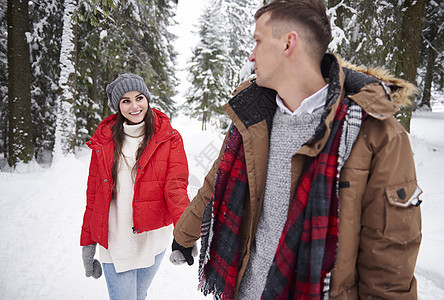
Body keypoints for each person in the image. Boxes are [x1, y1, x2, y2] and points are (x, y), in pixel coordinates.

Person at [170, 0, 422, 299]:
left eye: (258, 41)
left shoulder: (377, 134)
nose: (251, 55)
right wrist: (183, 235)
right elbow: (216, 180)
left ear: (289, 43)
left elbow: (388, 264)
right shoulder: (253, 111)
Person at [80, 73, 190, 300]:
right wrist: (88, 242)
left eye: (139, 97)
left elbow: (176, 189)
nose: (134, 106)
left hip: (153, 239)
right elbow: (94, 196)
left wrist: (184, 236)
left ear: (147, 99)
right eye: (126, 101)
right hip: (116, 240)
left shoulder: (169, 138)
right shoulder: (104, 140)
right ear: (117, 106)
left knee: (139, 296)